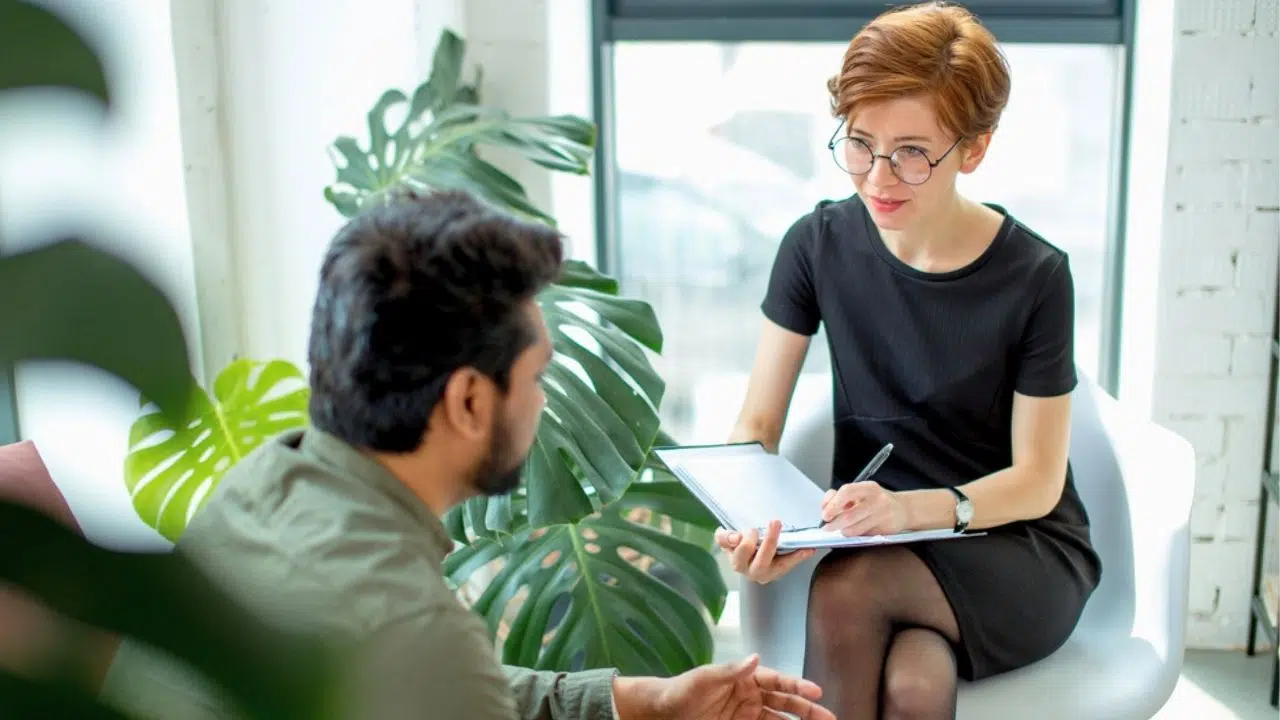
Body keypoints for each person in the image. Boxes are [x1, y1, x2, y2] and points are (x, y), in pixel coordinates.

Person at [101, 189, 835, 720]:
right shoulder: (413, 630)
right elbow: (428, 671)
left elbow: (412, 686)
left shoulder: (262, 487)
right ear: (470, 403)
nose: (545, 402)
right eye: (537, 377)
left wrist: (640, 702)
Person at [714, 2, 1103, 719]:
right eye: (860, 144)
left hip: (1015, 547)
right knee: (915, 684)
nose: (879, 177)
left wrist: (910, 510)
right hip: (874, 540)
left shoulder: (1037, 276)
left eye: (913, 152)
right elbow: (758, 421)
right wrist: (749, 517)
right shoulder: (816, 246)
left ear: (975, 149)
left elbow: (1039, 482)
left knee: (849, 592)